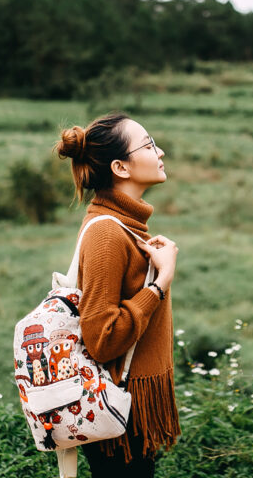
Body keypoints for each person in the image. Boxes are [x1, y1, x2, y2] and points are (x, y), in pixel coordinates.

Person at [55, 112, 180, 477]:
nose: (160, 152)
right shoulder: (107, 234)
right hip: (117, 412)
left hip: (128, 409)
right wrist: (160, 282)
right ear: (120, 168)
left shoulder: (126, 226)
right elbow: (102, 338)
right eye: (149, 145)